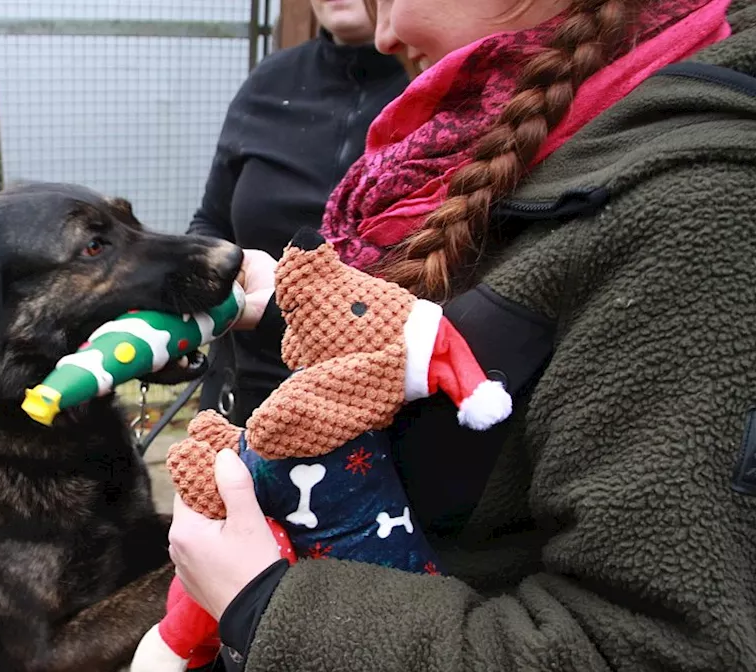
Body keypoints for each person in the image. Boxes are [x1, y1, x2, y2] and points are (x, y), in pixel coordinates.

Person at [168, 0, 756, 669]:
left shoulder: (699, 213)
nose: (384, 33)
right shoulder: (497, 143)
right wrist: (288, 303)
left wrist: (268, 605)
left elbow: (654, 644)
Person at [189, 0, 410, 426]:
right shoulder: (270, 81)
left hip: (376, 404)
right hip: (245, 391)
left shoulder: (442, 92)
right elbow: (211, 224)